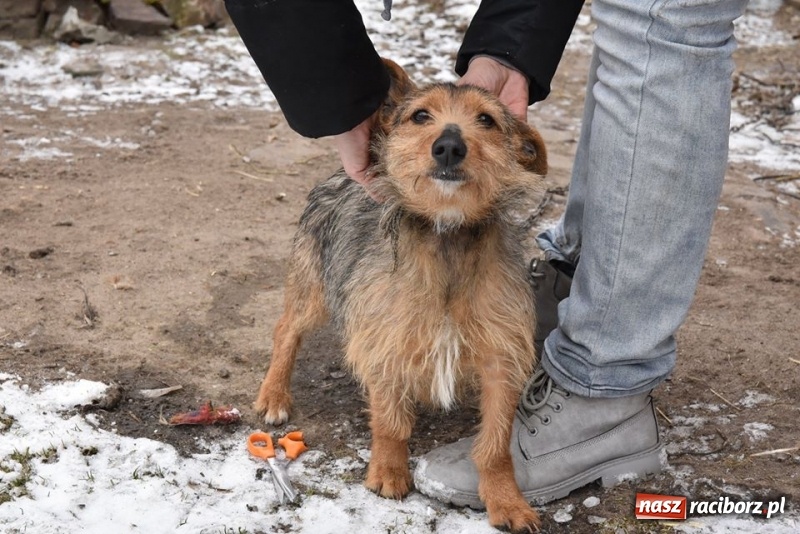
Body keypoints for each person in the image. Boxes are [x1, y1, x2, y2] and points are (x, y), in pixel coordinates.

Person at [224, 0, 749, 505]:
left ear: (520, 154)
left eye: (486, 123)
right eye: (422, 118)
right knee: (311, 313)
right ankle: (289, 371)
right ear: (388, 140)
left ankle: (575, 404)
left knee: (500, 357)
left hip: (486, 263)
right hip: (383, 251)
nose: (450, 142)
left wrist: (510, 51)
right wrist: (341, 102)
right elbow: (382, 368)